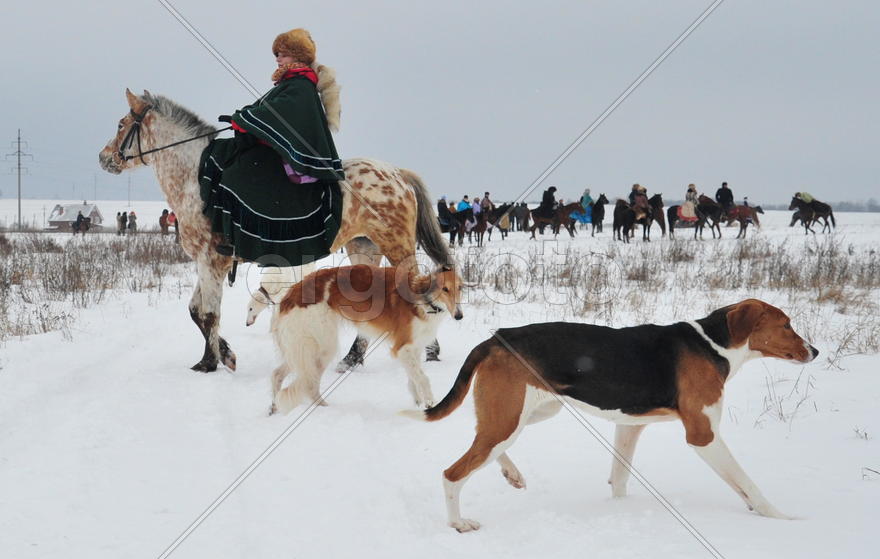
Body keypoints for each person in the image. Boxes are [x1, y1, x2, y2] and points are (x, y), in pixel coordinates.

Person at [213, 27, 342, 256]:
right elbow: (265, 108)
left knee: (236, 177)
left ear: (299, 56)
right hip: (272, 150)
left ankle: (243, 241)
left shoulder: (300, 85)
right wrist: (241, 117)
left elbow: (277, 114)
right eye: (277, 54)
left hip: (288, 158)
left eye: (283, 53)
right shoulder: (289, 82)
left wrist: (243, 120)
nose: (278, 58)